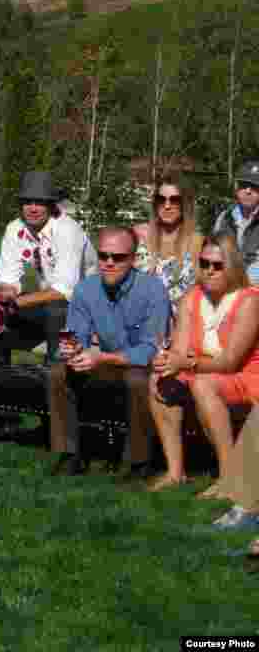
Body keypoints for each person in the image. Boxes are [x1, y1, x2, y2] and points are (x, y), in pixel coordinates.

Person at [48, 226, 170, 477]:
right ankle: (70, 454)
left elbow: (151, 350)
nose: (109, 263)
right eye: (103, 256)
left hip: (141, 366)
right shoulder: (86, 289)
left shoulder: (153, 290)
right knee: (58, 372)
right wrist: (72, 349)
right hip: (105, 362)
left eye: (118, 257)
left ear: (133, 258)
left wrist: (101, 357)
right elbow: (76, 334)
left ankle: (138, 461)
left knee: (138, 380)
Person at [147, 234, 259, 492]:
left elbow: (230, 362)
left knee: (203, 385)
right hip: (204, 371)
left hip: (247, 374)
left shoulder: (250, 300)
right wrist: (166, 361)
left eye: (218, 265)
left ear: (232, 266)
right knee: (160, 380)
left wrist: (186, 364)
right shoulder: (193, 297)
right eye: (204, 263)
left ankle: (230, 478)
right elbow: (180, 349)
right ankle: (175, 471)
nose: (209, 271)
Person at [0, 171, 97, 365]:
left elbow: (65, 291)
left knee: (57, 310)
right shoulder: (15, 229)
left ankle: (55, 379)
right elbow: (8, 277)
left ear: (51, 205)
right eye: (27, 202)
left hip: (85, 309)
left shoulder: (67, 230)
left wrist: (15, 304)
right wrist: (5, 295)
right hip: (49, 303)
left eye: (39, 202)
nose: (32, 208)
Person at [132, 173, 203, 315]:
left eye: (175, 200)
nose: (167, 205)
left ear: (185, 203)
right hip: (138, 325)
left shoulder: (197, 243)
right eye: (161, 199)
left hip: (180, 328)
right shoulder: (137, 235)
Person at [213, 159, 259, 286]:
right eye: (244, 185)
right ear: (236, 187)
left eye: (254, 186)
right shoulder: (223, 219)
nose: (248, 191)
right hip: (225, 291)